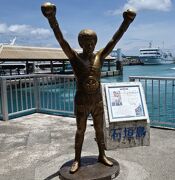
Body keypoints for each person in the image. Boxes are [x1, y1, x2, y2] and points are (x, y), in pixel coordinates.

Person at [41, 2, 136, 173]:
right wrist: (51, 18)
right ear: (80, 43)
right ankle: (77, 159)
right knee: (80, 130)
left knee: (100, 129)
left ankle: (102, 154)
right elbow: (61, 39)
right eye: (86, 41)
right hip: (82, 101)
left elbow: (114, 40)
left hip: (97, 100)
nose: (89, 44)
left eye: (92, 41)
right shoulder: (74, 58)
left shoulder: (101, 56)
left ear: (95, 42)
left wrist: (126, 22)